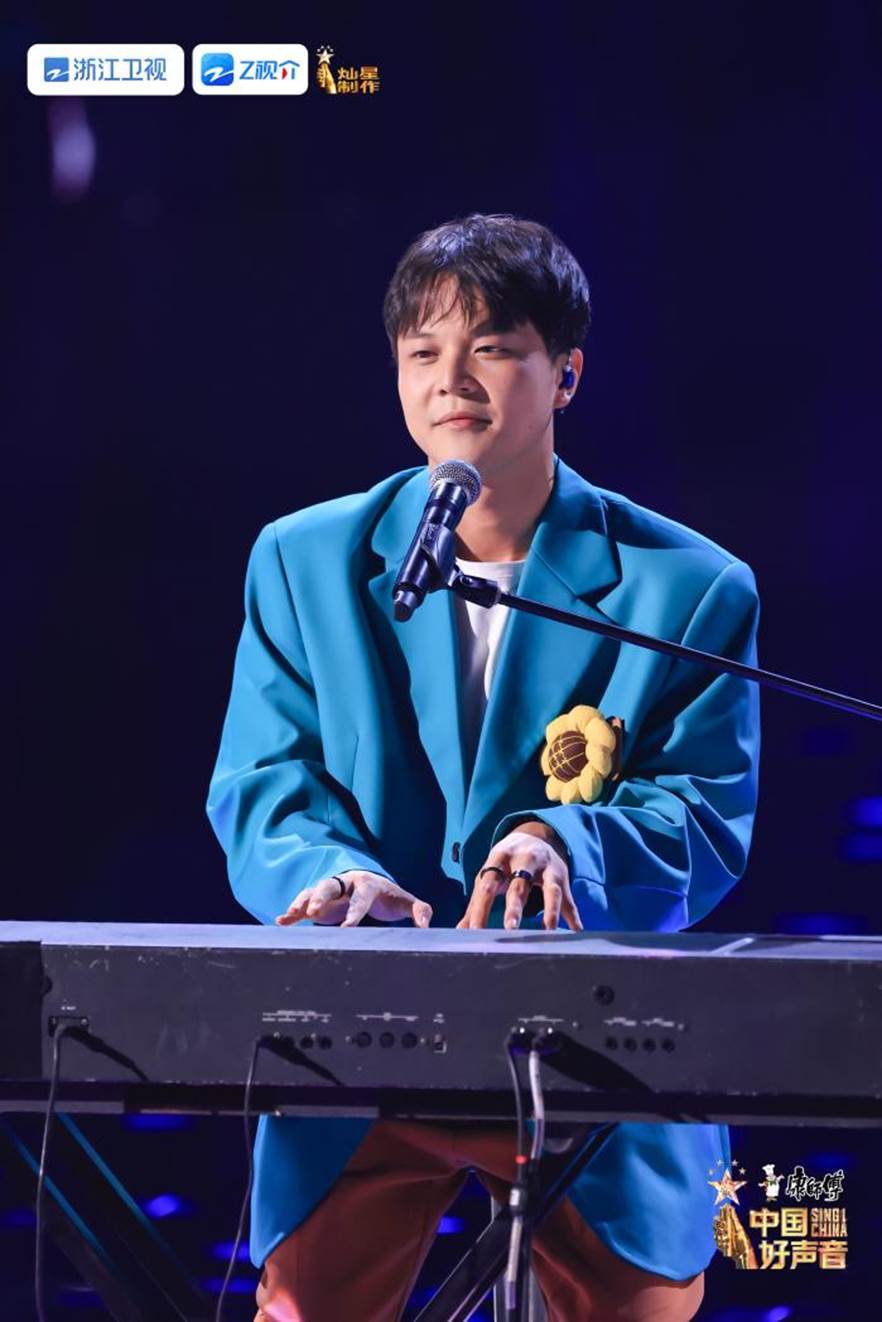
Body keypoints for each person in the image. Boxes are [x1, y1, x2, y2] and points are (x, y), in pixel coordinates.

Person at [206, 213, 761, 1320]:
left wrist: (565, 838)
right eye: (423, 351)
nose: (450, 379)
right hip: (362, 1045)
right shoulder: (304, 558)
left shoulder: (691, 586)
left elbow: (700, 815)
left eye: (492, 347)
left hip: (591, 1050)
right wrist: (332, 876)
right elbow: (265, 782)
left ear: (567, 375)